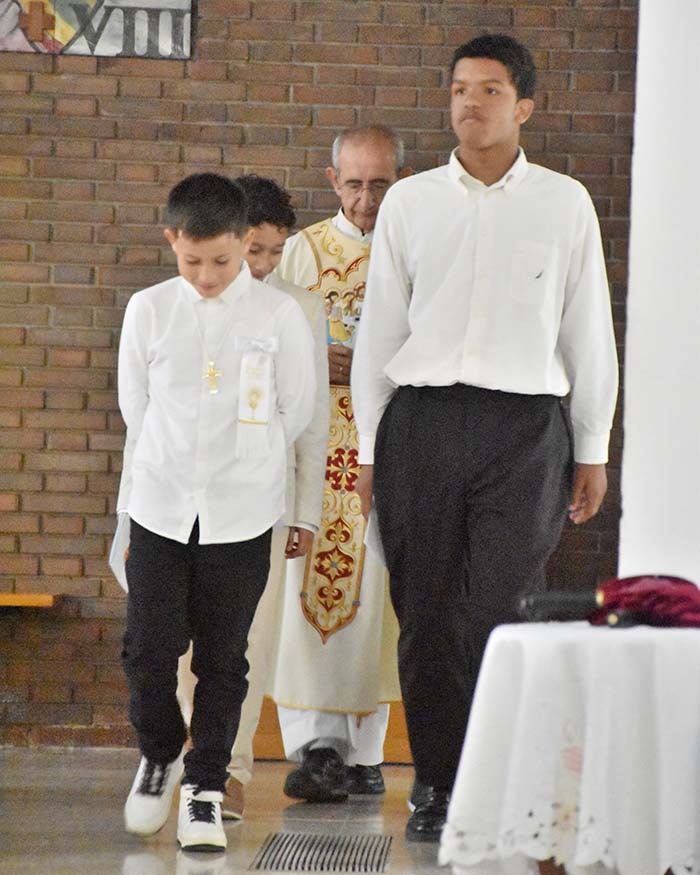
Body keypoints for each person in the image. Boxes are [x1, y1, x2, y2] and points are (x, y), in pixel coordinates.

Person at [352, 34, 619, 842]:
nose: (471, 102)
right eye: (461, 88)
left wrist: (593, 445)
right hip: (422, 424)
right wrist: (370, 448)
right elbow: (379, 336)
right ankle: (436, 783)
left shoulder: (564, 202)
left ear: (525, 106)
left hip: (523, 430)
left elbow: (588, 329)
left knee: (499, 610)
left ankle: (499, 779)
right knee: (427, 612)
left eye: (490, 90)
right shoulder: (411, 201)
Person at [117, 172, 316, 852]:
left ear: (246, 245)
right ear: (172, 240)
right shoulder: (148, 310)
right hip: (162, 506)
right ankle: (160, 752)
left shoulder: (278, 316)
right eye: (192, 259)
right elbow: (135, 409)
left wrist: (246, 464)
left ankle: (205, 787)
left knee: (224, 659)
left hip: (241, 512)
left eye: (224, 261)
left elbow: (297, 409)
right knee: (147, 649)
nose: (208, 275)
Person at [176, 174, 330, 819]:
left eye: (274, 252)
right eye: (254, 251)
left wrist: (306, 509)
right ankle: (185, 757)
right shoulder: (186, 301)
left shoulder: (299, 308)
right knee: (182, 641)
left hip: (264, 500)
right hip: (185, 497)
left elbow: (312, 417)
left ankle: (230, 769)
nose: (263, 266)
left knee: (249, 639)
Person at [270, 125, 405, 802]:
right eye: (353, 183)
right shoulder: (299, 254)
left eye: (379, 183)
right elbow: (264, 342)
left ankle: (368, 752)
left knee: (380, 593)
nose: (366, 198)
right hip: (317, 452)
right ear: (332, 180)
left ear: (398, 181)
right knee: (304, 598)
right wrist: (307, 357)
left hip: (389, 448)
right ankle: (315, 745)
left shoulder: (416, 247)